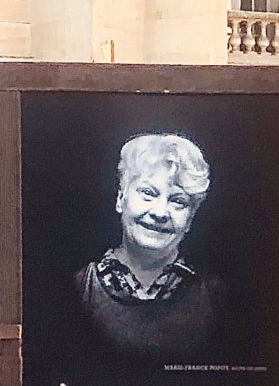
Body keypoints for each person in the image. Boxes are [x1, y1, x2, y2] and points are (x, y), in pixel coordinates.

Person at [75, 133, 223, 360]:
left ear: (190, 219)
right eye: (148, 193)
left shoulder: (216, 297)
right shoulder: (80, 286)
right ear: (120, 198)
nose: (160, 212)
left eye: (178, 201)